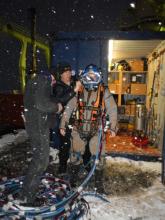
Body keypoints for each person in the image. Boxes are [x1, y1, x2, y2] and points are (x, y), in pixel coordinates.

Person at [59, 64, 118, 172]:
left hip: (97, 129)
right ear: (83, 78)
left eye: (93, 77)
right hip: (79, 128)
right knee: (75, 154)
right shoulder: (78, 91)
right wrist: (63, 124)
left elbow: (113, 109)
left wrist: (113, 127)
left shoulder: (104, 91)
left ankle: (98, 181)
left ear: (98, 77)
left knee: (98, 156)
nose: (91, 80)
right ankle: (73, 178)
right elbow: (69, 108)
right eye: (88, 77)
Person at [18, 70, 63, 205]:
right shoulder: (43, 80)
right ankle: (27, 199)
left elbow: (37, 103)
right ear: (52, 76)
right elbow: (41, 104)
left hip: (35, 125)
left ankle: (25, 195)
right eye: (54, 81)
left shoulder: (36, 81)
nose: (53, 84)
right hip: (38, 127)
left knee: (39, 160)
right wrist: (57, 107)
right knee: (40, 162)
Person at [50, 62, 82, 174]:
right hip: (64, 119)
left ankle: (79, 163)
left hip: (78, 118)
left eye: (69, 71)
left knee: (80, 141)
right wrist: (74, 90)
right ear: (61, 74)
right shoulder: (58, 86)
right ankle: (62, 167)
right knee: (66, 144)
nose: (68, 74)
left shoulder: (74, 81)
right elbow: (61, 100)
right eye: (65, 72)